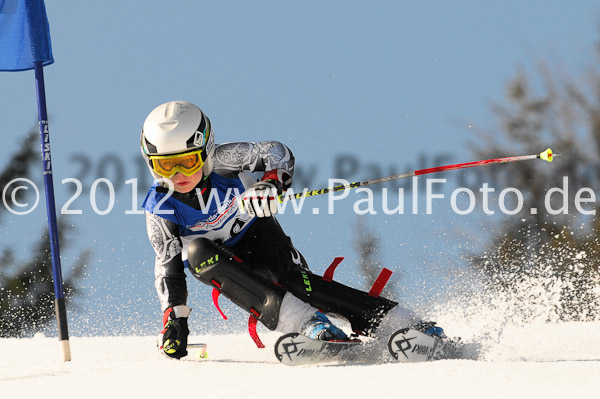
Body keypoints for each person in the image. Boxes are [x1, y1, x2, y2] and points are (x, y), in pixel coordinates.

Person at [141, 100, 444, 359]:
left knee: (291, 281)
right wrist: (175, 320)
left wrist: (271, 184)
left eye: (187, 162)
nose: (179, 174)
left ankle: (404, 323)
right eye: (165, 167)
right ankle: (309, 324)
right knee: (197, 253)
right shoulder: (159, 207)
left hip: (263, 242)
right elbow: (168, 267)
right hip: (227, 269)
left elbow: (277, 152)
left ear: (206, 150)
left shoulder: (225, 160)